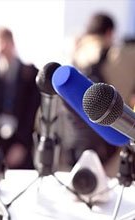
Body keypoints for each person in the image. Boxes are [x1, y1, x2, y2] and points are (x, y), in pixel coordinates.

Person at [59, 12, 120, 176]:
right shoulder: (111, 56)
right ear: (109, 33)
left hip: (73, 145)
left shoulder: (75, 54)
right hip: (103, 145)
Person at [0, 26, 40, 169]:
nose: (1, 47)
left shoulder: (29, 73)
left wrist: (22, 143)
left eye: (5, 42)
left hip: (21, 141)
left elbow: (32, 112)